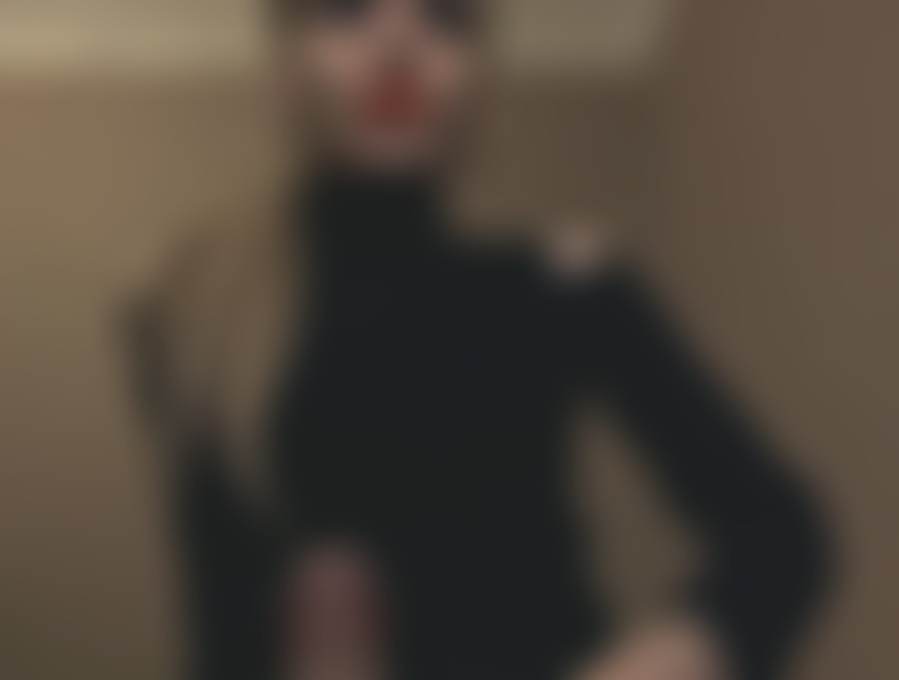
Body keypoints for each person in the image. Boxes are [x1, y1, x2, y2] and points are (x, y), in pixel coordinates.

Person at [126, 1, 830, 679]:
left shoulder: (561, 284)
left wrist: (653, 667)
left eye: (445, 15)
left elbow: (782, 535)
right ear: (288, 72)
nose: (400, 43)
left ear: (475, 83)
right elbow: (222, 630)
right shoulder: (198, 308)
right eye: (348, 9)